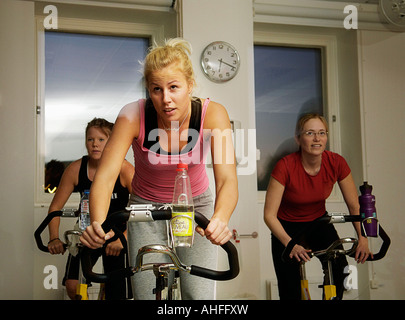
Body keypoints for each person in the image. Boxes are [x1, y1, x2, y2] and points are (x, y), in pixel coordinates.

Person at [80, 38, 238, 300]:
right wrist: (98, 223)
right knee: (148, 292)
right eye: (156, 89)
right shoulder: (132, 115)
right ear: (148, 90)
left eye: (174, 87)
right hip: (145, 209)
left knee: (196, 294)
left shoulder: (213, 114)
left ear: (190, 85)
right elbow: (106, 176)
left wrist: (220, 217)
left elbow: (226, 181)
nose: (166, 99)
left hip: (195, 206)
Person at [263, 113, 372, 300]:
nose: (317, 139)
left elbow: (354, 206)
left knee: (341, 271)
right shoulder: (285, 166)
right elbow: (269, 215)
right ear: (298, 138)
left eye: (322, 133)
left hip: (318, 221)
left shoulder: (336, 162)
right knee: (290, 289)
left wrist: (362, 238)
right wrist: (290, 244)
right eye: (310, 133)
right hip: (287, 227)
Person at [47, 118, 134, 300]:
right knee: (73, 286)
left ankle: (106, 291)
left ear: (111, 142)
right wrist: (54, 237)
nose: (95, 144)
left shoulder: (125, 169)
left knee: (115, 293)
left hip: (116, 237)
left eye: (101, 140)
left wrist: (123, 238)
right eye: (90, 139)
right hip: (88, 233)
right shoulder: (76, 169)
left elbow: (142, 208)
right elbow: (55, 207)